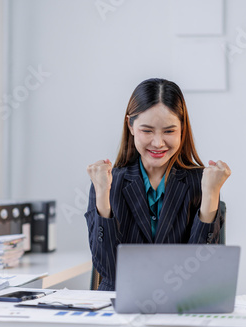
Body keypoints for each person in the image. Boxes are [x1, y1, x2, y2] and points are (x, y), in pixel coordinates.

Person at [85, 78, 231, 291]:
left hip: (180, 308)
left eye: (169, 131)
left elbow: (200, 273)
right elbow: (109, 272)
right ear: (131, 126)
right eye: (147, 130)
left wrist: (210, 194)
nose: (158, 142)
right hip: (118, 310)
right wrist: (102, 196)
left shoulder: (200, 183)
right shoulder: (107, 182)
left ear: (182, 129)